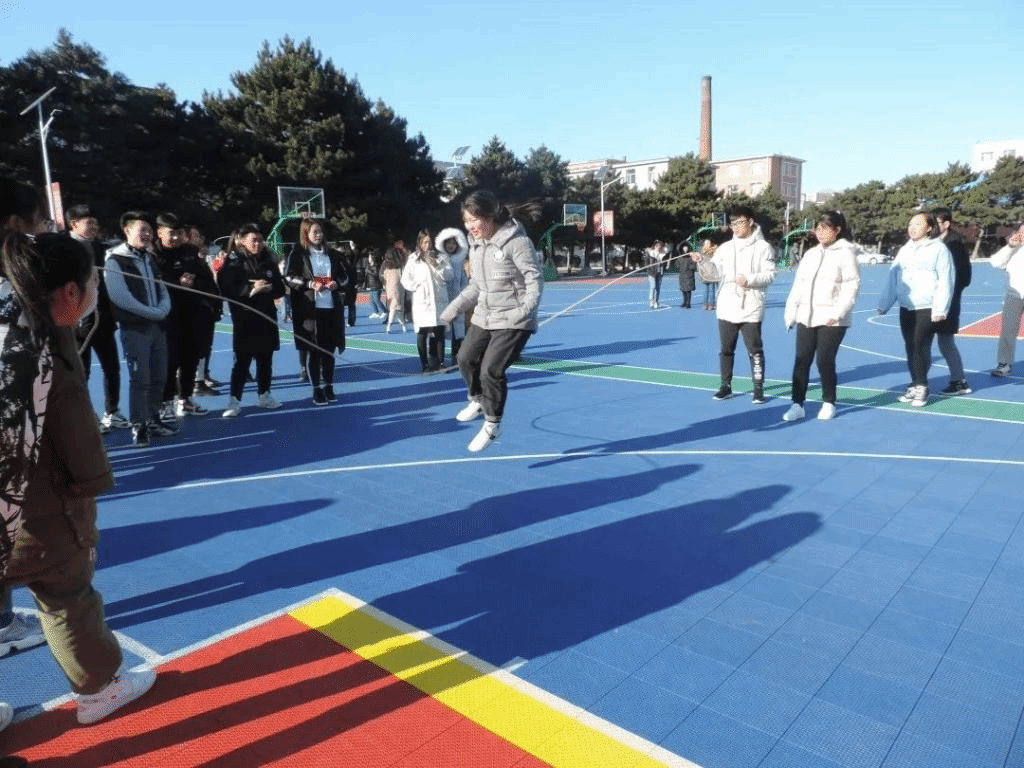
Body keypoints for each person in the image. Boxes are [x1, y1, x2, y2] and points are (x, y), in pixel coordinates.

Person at [2, 225, 156, 730]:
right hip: (33, 504)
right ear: (69, 292)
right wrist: (88, 501)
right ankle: (99, 689)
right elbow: (77, 441)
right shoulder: (42, 348)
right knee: (66, 594)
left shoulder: (9, 320)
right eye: (91, 283)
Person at [440, 191, 543, 452]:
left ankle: (492, 424)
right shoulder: (477, 246)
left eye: (474, 220)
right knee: (465, 358)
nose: (470, 226)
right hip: (486, 315)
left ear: (490, 216)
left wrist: (524, 311)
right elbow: (476, 286)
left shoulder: (516, 242)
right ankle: (477, 399)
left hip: (514, 318)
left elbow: (534, 280)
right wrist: (451, 310)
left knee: (490, 370)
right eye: (466, 221)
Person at [104, 211, 175, 447]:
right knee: (141, 379)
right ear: (127, 230)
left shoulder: (149, 258)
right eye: (142, 230)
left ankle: (153, 419)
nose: (147, 235)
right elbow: (120, 297)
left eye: (149, 230)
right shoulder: (116, 260)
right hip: (136, 328)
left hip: (158, 327)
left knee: (159, 376)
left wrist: (163, 308)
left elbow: (161, 288)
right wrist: (152, 312)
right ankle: (139, 424)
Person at [781, 211, 861, 421]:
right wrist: (791, 312)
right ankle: (797, 404)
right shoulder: (811, 254)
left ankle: (828, 402)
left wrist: (838, 312)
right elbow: (798, 285)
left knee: (824, 359)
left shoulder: (846, 253)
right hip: (807, 315)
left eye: (825, 228)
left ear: (837, 230)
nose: (820, 233)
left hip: (832, 318)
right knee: (801, 360)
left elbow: (851, 286)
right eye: (818, 228)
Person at [878, 212, 954, 407]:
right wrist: (885, 303)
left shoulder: (939, 249)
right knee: (910, 347)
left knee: (920, 344)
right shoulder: (905, 249)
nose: (912, 227)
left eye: (918, 224)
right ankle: (914, 383)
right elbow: (893, 277)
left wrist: (940, 308)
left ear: (929, 228)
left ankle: (922, 386)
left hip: (927, 307)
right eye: (910, 224)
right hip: (907, 306)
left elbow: (946, 280)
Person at [701, 206, 777, 403]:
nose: (734, 227)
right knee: (726, 349)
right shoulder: (725, 248)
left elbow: (770, 274)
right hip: (727, 306)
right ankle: (725, 386)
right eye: (732, 223)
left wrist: (749, 280)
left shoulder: (763, 247)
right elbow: (713, 274)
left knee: (755, 350)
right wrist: (702, 261)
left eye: (739, 223)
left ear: (750, 222)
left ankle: (758, 388)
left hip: (751, 307)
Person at [66, 204, 129, 434]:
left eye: (95, 223)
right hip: (79, 320)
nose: (94, 227)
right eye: (89, 223)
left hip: (103, 318)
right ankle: (86, 416)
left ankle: (112, 411)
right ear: (74, 224)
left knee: (112, 367)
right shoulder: (64, 248)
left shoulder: (100, 247)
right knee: (82, 371)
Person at [153, 213, 218, 418]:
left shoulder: (190, 251)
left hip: (192, 313)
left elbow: (207, 280)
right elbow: (153, 285)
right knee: (169, 361)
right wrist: (177, 283)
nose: (176, 238)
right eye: (171, 233)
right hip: (166, 316)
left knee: (190, 358)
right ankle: (165, 402)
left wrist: (194, 283)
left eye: (179, 233)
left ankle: (186, 399)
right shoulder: (152, 254)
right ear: (160, 233)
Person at [218, 223, 287, 416]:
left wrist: (270, 288)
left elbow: (281, 288)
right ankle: (234, 401)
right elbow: (226, 287)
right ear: (242, 241)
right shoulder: (234, 261)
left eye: (260, 240)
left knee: (266, 359)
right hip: (245, 318)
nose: (257, 244)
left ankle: (264, 395)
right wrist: (250, 289)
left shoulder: (268, 260)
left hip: (267, 316)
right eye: (253, 240)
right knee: (242, 362)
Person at [284, 219, 348, 405]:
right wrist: (310, 284)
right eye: (314, 232)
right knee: (314, 352)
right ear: (306, 234)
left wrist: (336, 283)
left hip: (331, 309)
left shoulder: (333, 254)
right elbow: (289, 277)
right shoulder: (298, 254)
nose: (318, 235)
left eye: (320, 231)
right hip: (310, 311)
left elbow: (345, 276)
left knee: (329, 351)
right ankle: (316, 389)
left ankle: (329, 386)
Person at [930, 208, 973, 395]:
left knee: (945, 341)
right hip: (932, 300)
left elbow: (964, 276)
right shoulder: (932, 242)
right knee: (927, 342)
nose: (931, 227)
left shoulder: (954, 244)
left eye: (935, 223)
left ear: (946, 224)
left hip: (947, 302)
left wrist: (947, 297)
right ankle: (920, 382)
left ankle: (959, 381)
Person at [402, 229, 452, 373]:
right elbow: (405, 279)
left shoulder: (442, 257)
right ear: (419, 243)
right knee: (422, 332)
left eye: (429, 242)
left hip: (439, 300)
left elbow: (449, 275)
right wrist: (417, 286)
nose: (427, 245)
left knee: (439, 331)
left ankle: (440, 362)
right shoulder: (413, 259)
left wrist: (437, 265)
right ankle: (425, 364)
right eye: (424, 242)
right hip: (422, 301)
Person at [183, 224, 222, 397]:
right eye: (194, 236)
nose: (198, 239)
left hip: (207, 310)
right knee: (194, 348)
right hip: (195, 310)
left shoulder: (200, 259)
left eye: (199, 236)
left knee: (204, 346)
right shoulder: (186, 260)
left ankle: (201, 377)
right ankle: (194, 383)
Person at [989, 221, 1024, 377]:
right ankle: (1004, 364)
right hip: (1014, 296)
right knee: (1008, 331)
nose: (1023, 234)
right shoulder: (1013, 248)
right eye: (1021, 231)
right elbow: (995, 262)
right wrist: (1010, 247)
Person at [436, 227, 470, 365]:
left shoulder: (459, 261)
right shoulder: (439, 259)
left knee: (458, 329)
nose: (451, 246)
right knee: (441, 329)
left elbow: (463, 280)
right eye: (449, 243)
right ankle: (439, 359)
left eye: (453, 243)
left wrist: (464, 295)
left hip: (457, 299)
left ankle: (456, 358)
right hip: (442, 300)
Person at [381, 240, 407, 333]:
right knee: (396, 309)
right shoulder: (399, 269)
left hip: (392, 290)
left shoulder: (387, 269)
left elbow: (383, 277)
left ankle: (396, 324)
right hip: (398, 290)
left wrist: (384, 285)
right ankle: (397, 325)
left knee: (394, 308)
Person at [364, 248, 387, 319]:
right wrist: (367, 285)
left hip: (376, 285)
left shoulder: (376, 266)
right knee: (371, 300)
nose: (368, 259)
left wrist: (369, 271)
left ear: (373, 258)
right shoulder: (369, 266)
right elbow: (367, 277)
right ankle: (375, 312)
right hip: (371, 285)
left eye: (370, 257)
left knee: (376, 299)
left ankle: (384, 311)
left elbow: (377, 274)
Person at [644, 240, 667, 308]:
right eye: (657, 246)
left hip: (659, 273)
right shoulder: (650, 253)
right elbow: (646, 262)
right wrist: (648, 268)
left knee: (658, 288)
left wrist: (663, 264)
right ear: (654, 246)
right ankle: (651, 301)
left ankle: (656, 301)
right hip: (652, 273)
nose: (658, 247)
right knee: (653, 287)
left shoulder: (662, 254)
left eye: (659, 246)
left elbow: (665, 263)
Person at [676, 242, 696, 308]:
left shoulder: (691, 257)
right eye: (684, 247)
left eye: (686, 247)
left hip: (689, 275)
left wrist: (688, 267)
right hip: (682, 275)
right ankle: (684, 302)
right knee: (683, 290)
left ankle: (688, 303)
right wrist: (678, 265)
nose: (685, 248)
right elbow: (677, 265)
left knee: (688, 290)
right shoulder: (680, 257)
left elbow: (694, 266)